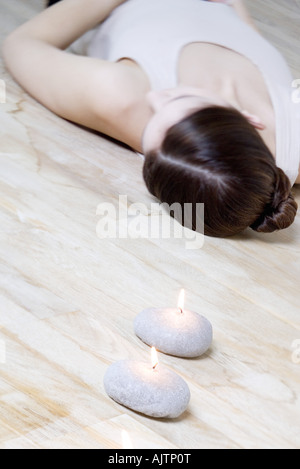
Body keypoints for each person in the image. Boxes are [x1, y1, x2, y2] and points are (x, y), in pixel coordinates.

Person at [3, 0, 299, 237]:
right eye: (180, 97)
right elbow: (249, 39)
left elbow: (22, 42)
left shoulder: (121, 95)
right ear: (249, 119)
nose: (155, 98)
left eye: (148, 130)